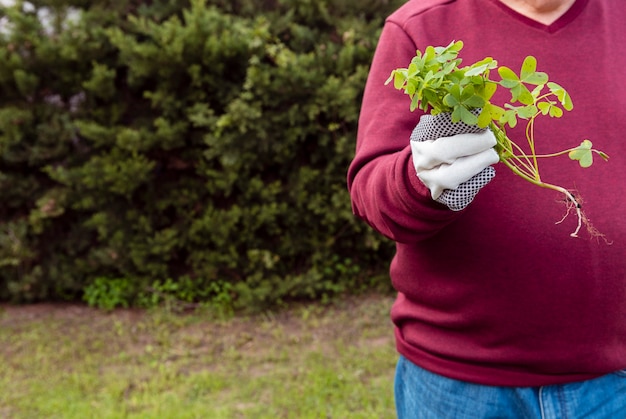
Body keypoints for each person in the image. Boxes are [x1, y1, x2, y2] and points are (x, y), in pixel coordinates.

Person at [346, 0, 626, 417]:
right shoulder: (417, 26)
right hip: (461, 384)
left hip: (613, 379)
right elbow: (370, 192)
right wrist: (418, 180)